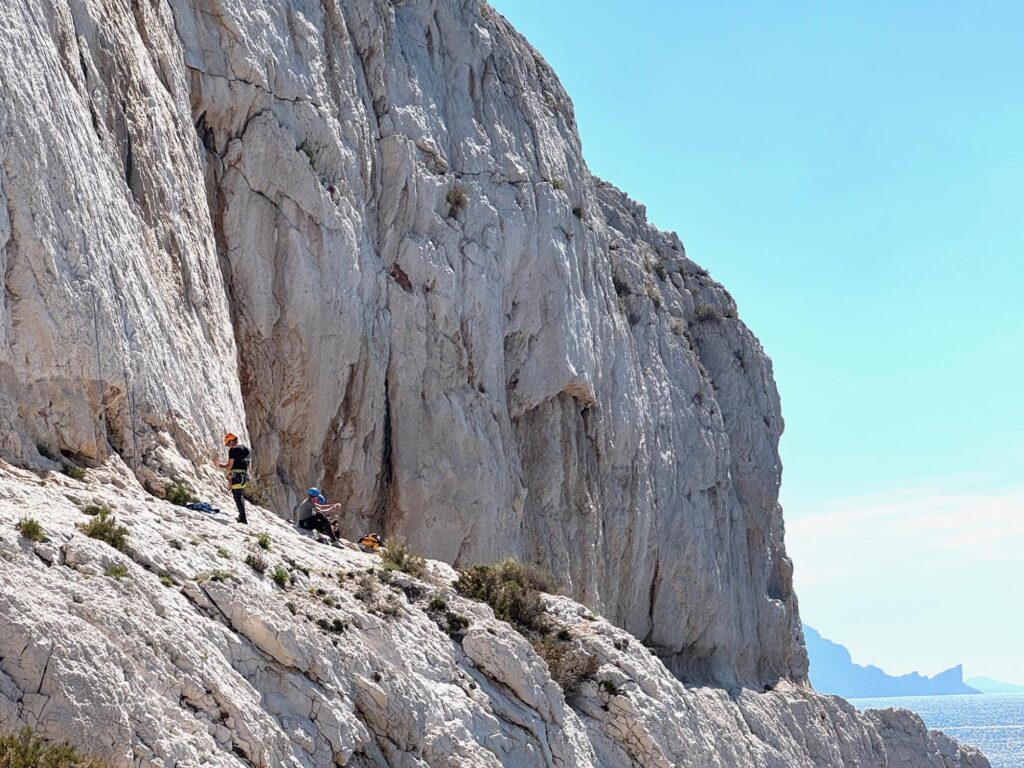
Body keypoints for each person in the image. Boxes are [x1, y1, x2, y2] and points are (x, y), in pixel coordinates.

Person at [218, 433, 250, 523]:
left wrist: (220, 466)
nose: (228, 446)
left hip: (236, 475)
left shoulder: (232, 450)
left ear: (232, 441)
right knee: (240, 496)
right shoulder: (246, 449)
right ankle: (241, 516)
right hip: (244, 476)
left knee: (237, 497)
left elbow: (229, 465)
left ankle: (243, 519)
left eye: (228, 443)